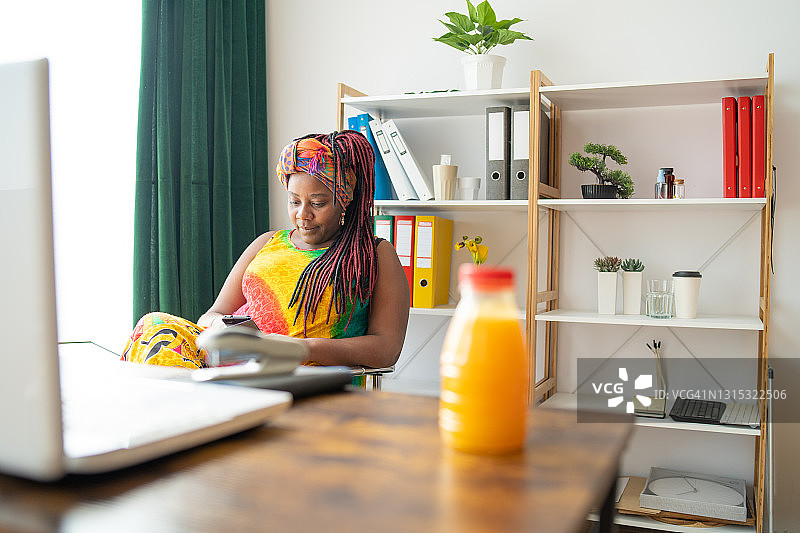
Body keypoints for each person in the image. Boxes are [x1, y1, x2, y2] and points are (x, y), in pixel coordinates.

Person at [123, 131, 410, 369]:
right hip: (230, 363)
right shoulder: (267, 242)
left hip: (294, 373)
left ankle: (193, 418)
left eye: (318, 203)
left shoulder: (374, 254)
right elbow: (212, 314)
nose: (303, 214)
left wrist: (300, 348)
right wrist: (222, 327)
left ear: (344, 200)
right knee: (155, 325)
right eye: (294, 201)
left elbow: (386, 348)